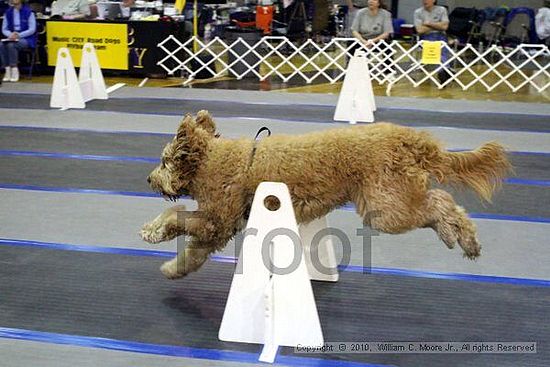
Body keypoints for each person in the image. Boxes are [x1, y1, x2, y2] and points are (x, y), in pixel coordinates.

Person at [413, 0, 451, 83]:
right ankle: (444, 70)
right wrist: (438, 25)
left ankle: (443, 71)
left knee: (442, 46)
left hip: (441, 35)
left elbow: (445, 27)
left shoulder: (442, 10)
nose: (424, 1)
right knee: (435, 43)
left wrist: (429, 24)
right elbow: (419, 30)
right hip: (426, 37)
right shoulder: (418, 12)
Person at [1, 0, 36, 82]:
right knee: (2, 44)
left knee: (11, 45)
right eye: (14, 4)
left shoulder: (29, 12)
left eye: (17, 4)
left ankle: (14, 69)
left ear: (21, 3)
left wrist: (19, 35)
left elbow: (32, 29)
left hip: (26, 38)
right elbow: (4, 29)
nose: (15, 6)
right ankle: (7, 69)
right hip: (12, 36)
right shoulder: (8, 12)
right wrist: (10, 35)